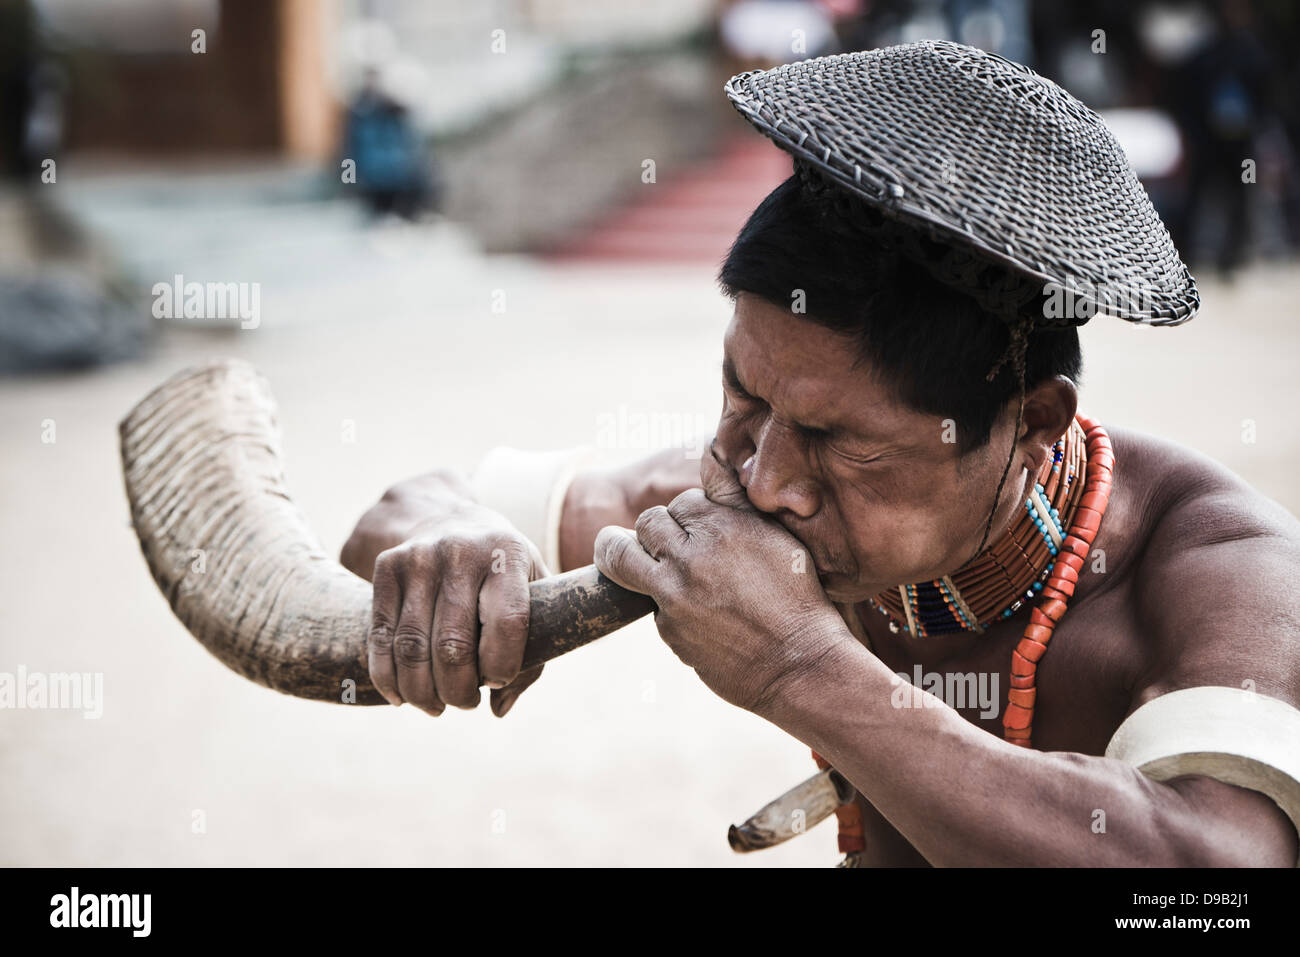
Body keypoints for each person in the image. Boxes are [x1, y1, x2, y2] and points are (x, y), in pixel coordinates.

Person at [340, 43, 1300, 866]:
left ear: (1033, 424)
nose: (761, 483)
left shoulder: (1220, 567)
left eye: (848, 447)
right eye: (741, 394)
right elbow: (405, 512)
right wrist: (460, 540)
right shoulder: (762, 476)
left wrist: (802, 668)